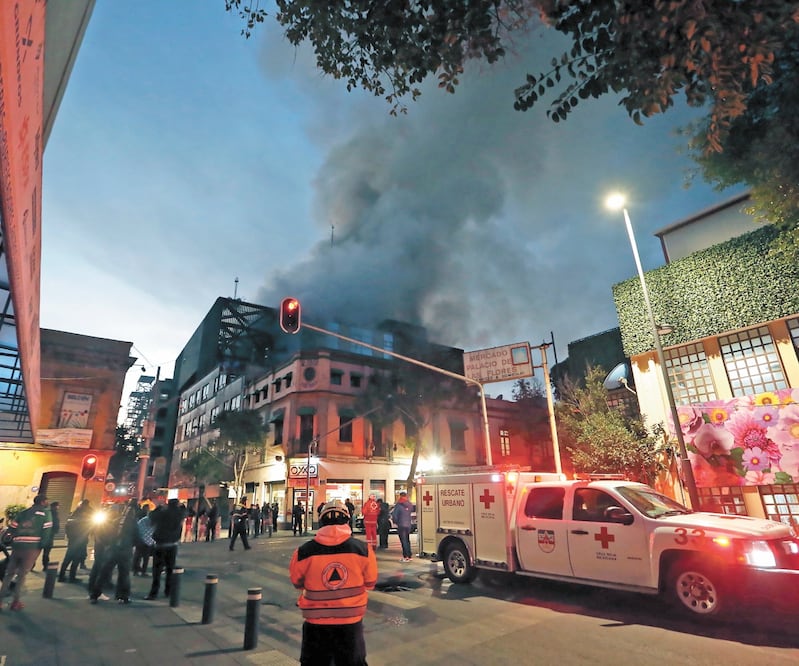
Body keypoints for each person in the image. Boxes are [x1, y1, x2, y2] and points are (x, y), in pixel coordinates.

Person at [289, 499, 377, 666]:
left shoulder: (303, 552)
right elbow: (371, 581)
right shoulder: (363, 550)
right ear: (347, 520)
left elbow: (296, 581)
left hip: (316, 626)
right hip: (350, 625)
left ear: (321, 521)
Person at [0, 495, 53, 611]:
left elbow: (12, 528)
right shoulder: (46, 514)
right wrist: (42, 547)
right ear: (43, 502)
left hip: (17, 546)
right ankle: (15, 602)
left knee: (9, 574)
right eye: (47, 501)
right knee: (21, 576)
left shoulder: (23, 513)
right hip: (32, 548)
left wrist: (13, 539)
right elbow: (47, 532)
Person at [89, 499, 138, 604]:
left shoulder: (116, 520)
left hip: (112, 550)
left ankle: (94, 595)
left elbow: (105, 533)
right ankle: (123, 596)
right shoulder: (133, 523)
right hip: (125, 552)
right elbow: (137, 539)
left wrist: (109, 544)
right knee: (124, 575)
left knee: (104, 572)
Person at [144, 498, 186, 600]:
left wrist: (158, 508)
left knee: (157, 571)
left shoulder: (163, 512)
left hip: (160, 545)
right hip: (173, 545)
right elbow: (186, 512)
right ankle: (168, 591)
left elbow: (151, 517)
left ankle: (153, 593)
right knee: (170, 570)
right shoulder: (179, 514)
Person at [58, 499, 92, 583]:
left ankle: (62, 576)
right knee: (75, 559)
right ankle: (71, 577)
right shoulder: (87, 512)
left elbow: (67, 526)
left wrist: (70, 536)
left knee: (68, 558)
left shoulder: (75, 513)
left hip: (73, 539)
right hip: (80, 539)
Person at [391, 491, 415, 562]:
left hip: (401, 524)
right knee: (407, 540)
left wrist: (395, 522)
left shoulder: (399, 505)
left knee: (403, 541)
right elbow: (411, 511)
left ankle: (406, 556)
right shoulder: (409, 504)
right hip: (408, 524)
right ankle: (409, 556)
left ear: (400, 496)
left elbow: (394, 515)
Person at [133, 505, 154, 576]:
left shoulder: (142, 521)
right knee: (145, 557)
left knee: (138, 556)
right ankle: (143, 572)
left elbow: (137, 528)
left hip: (140, 540)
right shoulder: (153, 522)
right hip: (147, 542)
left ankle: (136, 571)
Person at [39, 500, 60, 570]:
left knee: (38, 551)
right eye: (57, 506)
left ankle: (32, 565)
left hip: (43, 535)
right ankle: (45, 566)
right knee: (46, 552)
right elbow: (56, 525)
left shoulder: (46, 512)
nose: (58, 507)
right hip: (49, 535)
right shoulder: (54, 514)